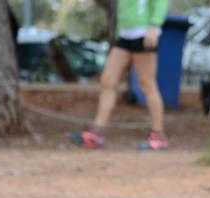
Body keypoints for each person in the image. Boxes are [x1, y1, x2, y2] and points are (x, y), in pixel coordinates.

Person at [71, 0, 169, 151]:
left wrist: (155, 25)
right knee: (108, 81)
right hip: (124, 34)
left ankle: (158, 136)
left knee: (147, 84)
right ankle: (97, 132)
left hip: (143, 33)